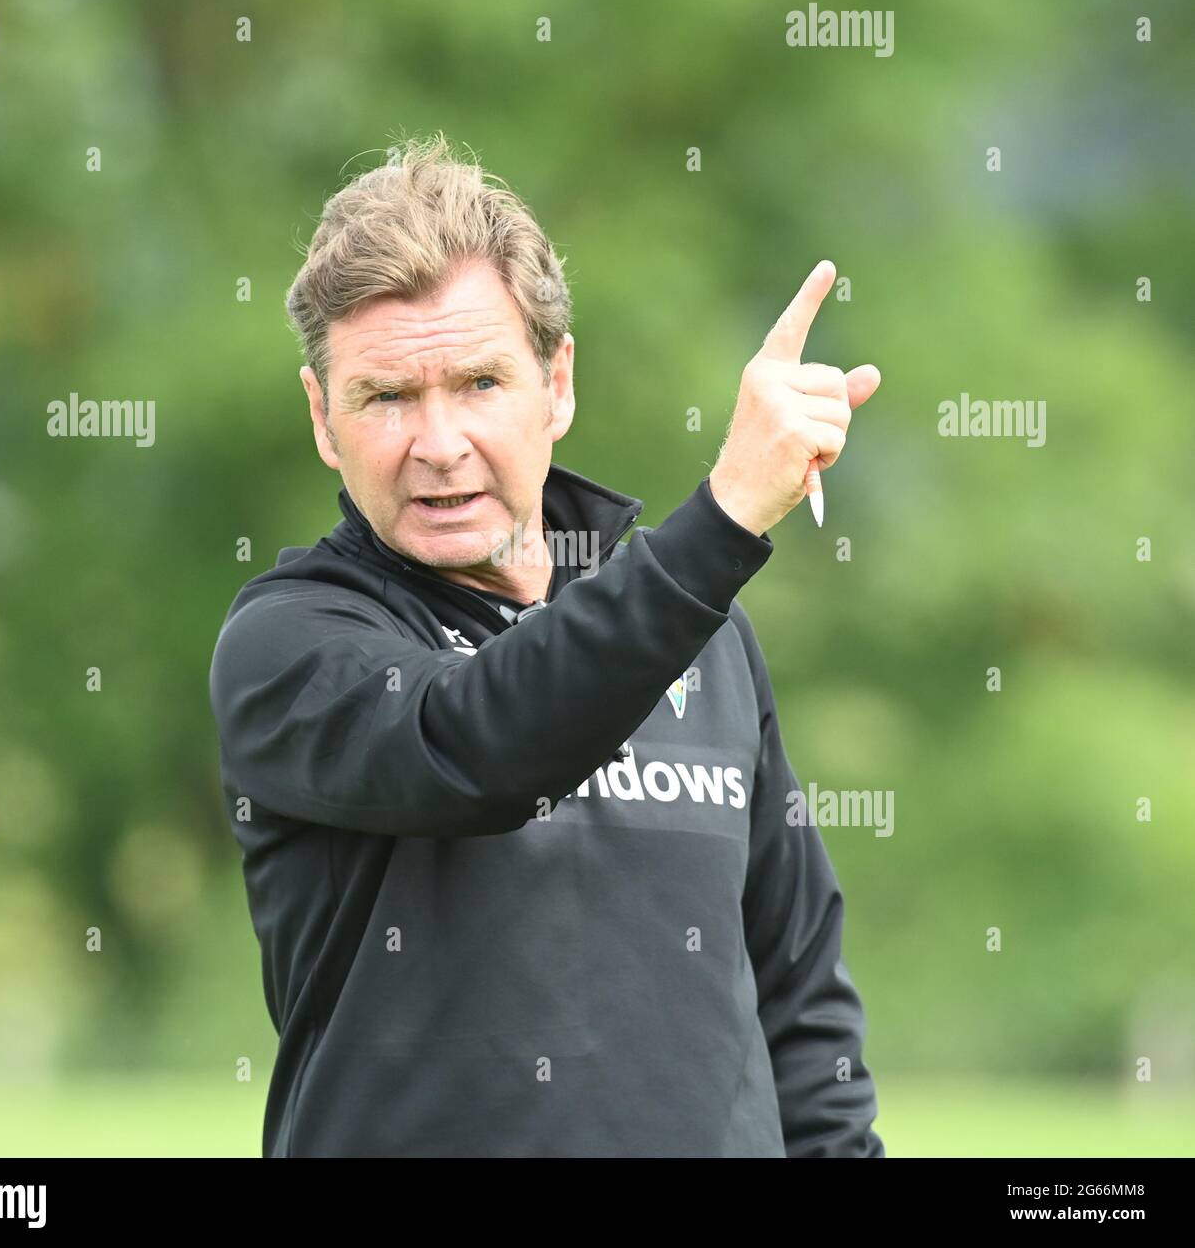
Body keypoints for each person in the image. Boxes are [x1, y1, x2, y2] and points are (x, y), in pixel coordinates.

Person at [208, 132, 885, 1157]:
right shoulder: (291, 643)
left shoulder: (702, 635)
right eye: (385, 396)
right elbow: (480, 745)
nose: (436, 443)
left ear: (556, 384)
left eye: (479, 382)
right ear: (322, 416)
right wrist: (729, 513)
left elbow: (797, 992)